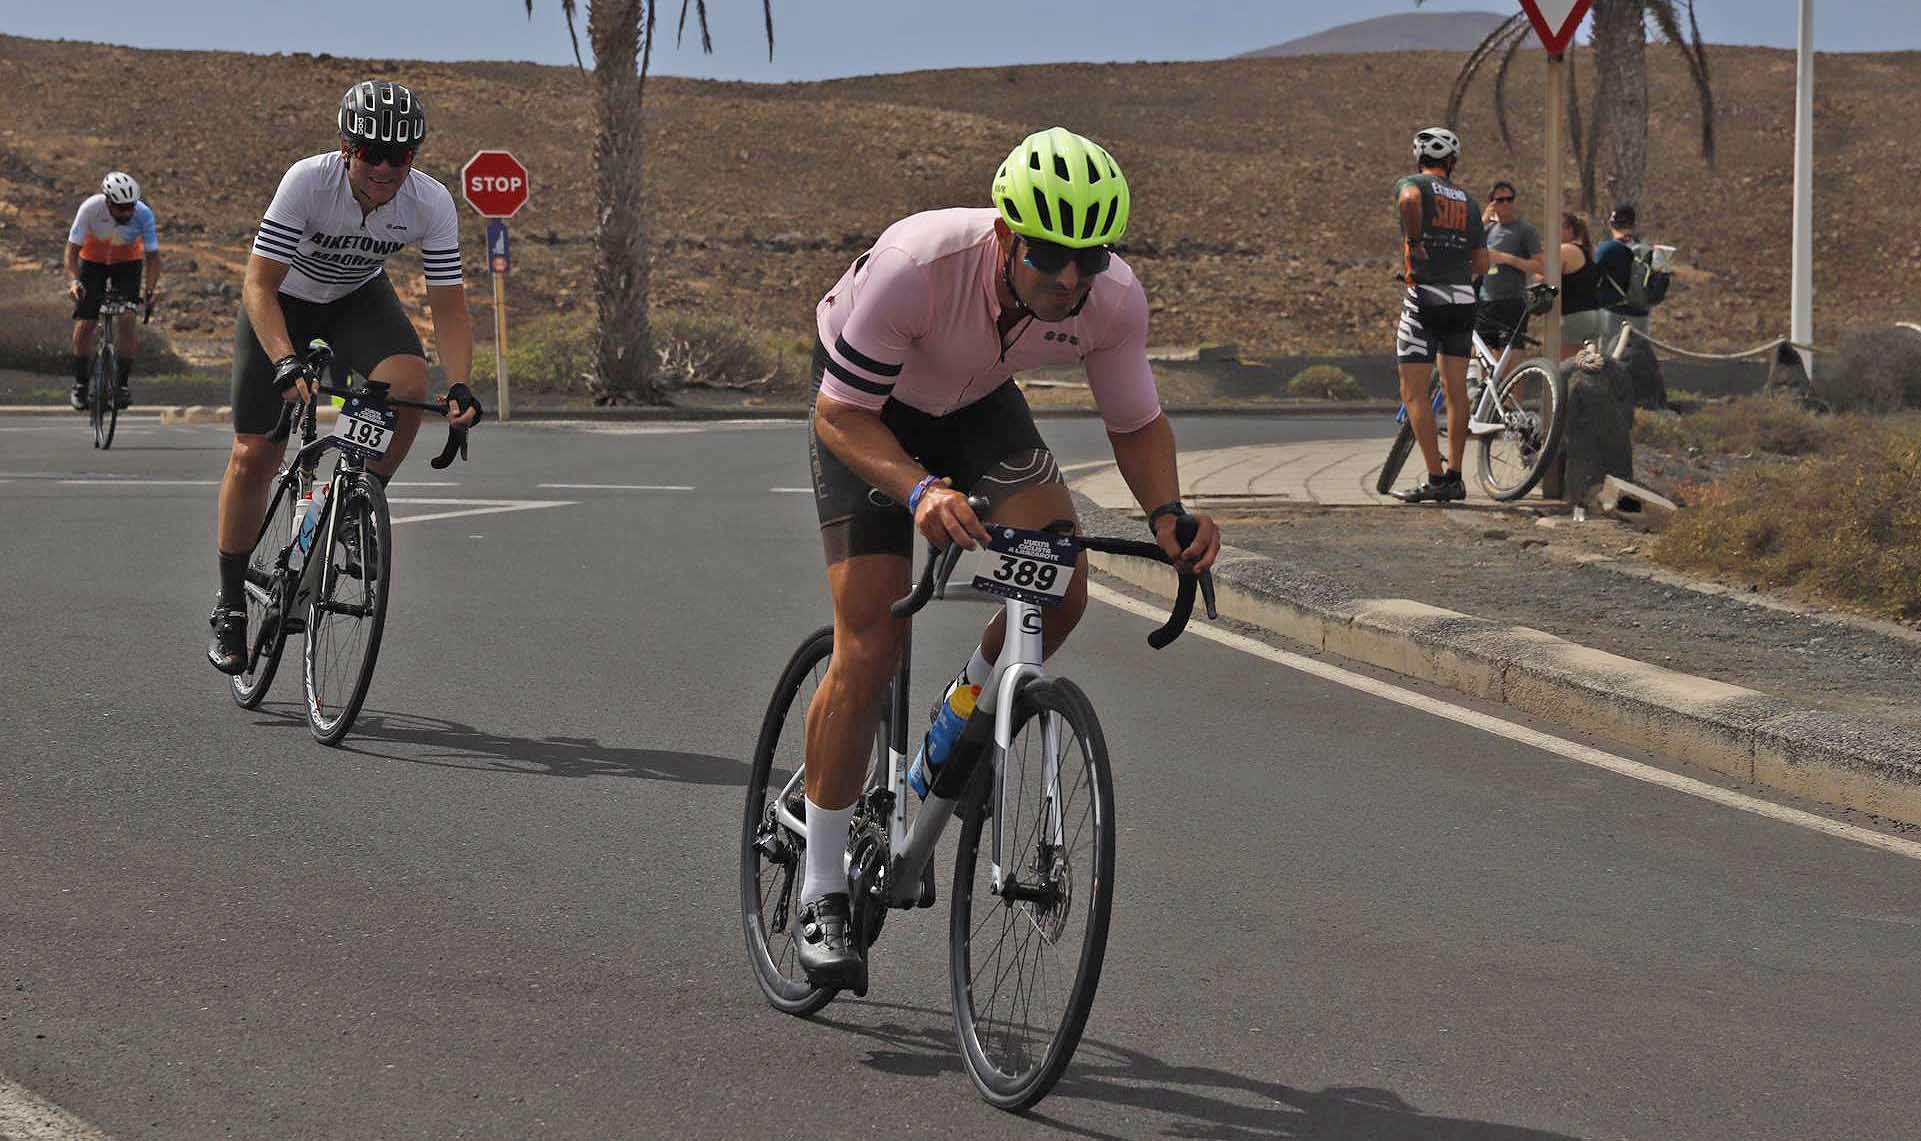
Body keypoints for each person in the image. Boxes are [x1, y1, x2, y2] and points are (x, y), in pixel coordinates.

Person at [795, 127, 1222, 992]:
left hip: (976, 406)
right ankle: (823, 884)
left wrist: (1167, 514)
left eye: (1088, 258)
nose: (1068, 279)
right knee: (869, 645)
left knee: (1060, 584)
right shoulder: (917, 265)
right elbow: (837, 416)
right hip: (869, 410)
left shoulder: (1110, 300)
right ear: (1004, 235)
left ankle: (956, 722)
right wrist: (920, 492)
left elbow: (1136, 423)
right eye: (1048, 255)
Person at [206, 80, 482, 674]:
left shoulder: (430, 203)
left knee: (408, 383)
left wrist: (460, 385)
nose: (384, 168)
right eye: (370, 153)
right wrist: (284, 359)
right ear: (346, 147)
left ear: (414, 156)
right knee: (253, 454)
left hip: (356, 298)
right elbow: (258, 284)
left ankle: (357, 501)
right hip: (284, 300)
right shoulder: (308, 182)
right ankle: (230, 603)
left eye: (398, 156)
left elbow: (449, 307)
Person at [1391, 128, 1487, 504]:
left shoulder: (1413, 183)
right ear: (1452, 161)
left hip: (1425, 297)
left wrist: (1416, 242)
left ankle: (1434, 478)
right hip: (1462, 299)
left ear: (1420, 159)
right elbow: (1482, 262)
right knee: (1456, 389)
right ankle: (1456, 477)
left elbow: (1409, 200)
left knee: (1413, 391)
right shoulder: (1470, 203)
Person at [66, 172, 161, 411]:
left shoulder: (144, 214)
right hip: (93, 263)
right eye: (121, 208)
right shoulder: (90, 209)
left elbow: (153, 256)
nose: (127, 212)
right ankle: (80, 385)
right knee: (86, 322)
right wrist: (74, 281)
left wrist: (150, 290)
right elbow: (71, 251)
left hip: (127, 264)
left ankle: (121, 385)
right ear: (108, 202)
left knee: (128, 318)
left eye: (131, 207)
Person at [1477, 180, 1542, 371]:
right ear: (1492, 203)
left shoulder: (1525, 230)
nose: (1506, 203)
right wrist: (1482, 222)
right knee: (1486, 362)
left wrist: (1506, 259)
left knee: (1510, 364)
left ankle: (1512, 391)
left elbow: (1540, 266)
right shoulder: (1486, 230)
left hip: (1512, 302)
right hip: (1486, 302)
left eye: (1509, 199)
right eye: (1500, 200)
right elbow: (1468, 252)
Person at [1593, 203, 1649, 355]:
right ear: (1634, 225)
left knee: (1608, 358)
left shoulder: (1606, 249)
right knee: (1639, 357)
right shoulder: (1645, 250)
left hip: (1613, 312)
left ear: (1611, 224)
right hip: (1640, 314)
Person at [1557, 212, 1604, 360]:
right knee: (1589, 363)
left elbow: (1543, 276)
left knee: (1568, 365)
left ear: (1569, 229)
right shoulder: (1587, 251)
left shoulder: (1565, 250)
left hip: (1574, 316)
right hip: (1594, 314)